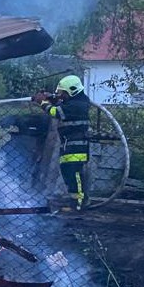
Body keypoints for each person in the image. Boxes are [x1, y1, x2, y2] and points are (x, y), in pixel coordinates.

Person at [32, 75, 90, 212]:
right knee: (68, 173)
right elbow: (61, 104)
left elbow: (55, 112)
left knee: (74, 174)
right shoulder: (75, 102)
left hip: (76, 146)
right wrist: (52, 98)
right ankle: (75, 201)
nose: (60, 95)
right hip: (69, 145)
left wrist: (42, 102)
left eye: (62, 93)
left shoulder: (77, 106)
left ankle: (78, 204)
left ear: (72, 91)